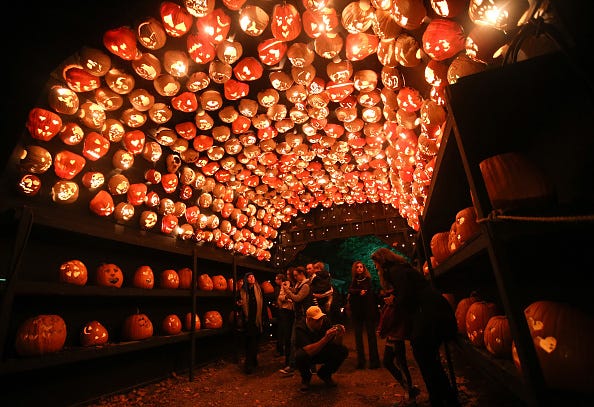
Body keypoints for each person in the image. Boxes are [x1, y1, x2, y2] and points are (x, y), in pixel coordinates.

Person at [371, 248, 459, 407]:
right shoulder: (402, 269)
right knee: (430, 361)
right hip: (431, 312)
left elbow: (407, 296)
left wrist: (394, 302)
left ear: (382, 262)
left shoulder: (394, 272)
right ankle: (444, 396)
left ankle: (440, 398)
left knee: (426, 359)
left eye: (376, 264)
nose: (376, 268)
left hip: (428, 315)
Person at [377, 283, 420, 404]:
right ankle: (409, 389)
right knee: (389, 361)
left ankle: (410, 393)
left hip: (396, 336)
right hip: (392, 336)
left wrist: (382, 331)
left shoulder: (395, 305)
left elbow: (389, 319)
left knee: (400, 364)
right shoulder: (390, 304)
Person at [294, 305, 349, 392]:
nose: (320, 322)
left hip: (322, 351)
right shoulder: (300, 327)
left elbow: (336, 344)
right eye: (317, 320)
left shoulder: (325, 322)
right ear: (309, 319)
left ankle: (325, 374)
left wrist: (339, 336)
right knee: (300, 355)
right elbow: (308, 350)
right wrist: (325, 338)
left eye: (321, 319)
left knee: (342, 350)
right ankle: (306, 378)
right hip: (309, 355)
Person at [279, 265, 314, 375]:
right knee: (297, 342)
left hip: (303, 317)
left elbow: (298, 298)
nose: (294, 277)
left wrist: (287, 292)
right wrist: (288, 289)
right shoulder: (300, 285)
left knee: (299, 342)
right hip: (299, 317)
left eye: (295, 275)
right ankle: (298, 365)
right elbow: (295, 291)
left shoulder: (306, 286)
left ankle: (297, 366)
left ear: (301, 274)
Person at [347, 260, 381, 370]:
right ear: (354, 269)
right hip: (357, 313)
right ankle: (361, 361)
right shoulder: (353, 281)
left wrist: (358, 292)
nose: (359, 269)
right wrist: (357, 292)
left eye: (361, 267)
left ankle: (374, 361)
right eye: (357, 267)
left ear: (364, 268)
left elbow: (367, 291)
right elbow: (351, 290)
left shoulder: (368, 280)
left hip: (368, 311)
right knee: (358, 337)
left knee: (371, 336)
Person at [237, 272, 265, 375]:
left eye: (253, 276)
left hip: (258, 320)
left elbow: (263, 304)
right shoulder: (242, 291)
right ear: (246, 279)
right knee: (250, 343)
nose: (251, 278)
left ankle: (253, 360)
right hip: (248, 320)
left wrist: (264, 319)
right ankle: (248, 365)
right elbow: (238, 304)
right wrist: (239, 304)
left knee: (256, 342)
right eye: (249, 277)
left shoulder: (259, 289)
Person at [275, 271, 294, 368]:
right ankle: (288, 360)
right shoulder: (285, 285)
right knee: (286, 335)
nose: (288, 276)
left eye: (289, 274)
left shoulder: (299, 285)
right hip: (285, 311)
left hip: (295, 312)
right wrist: (287, 297)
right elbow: (280, 297)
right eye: (288, 274)